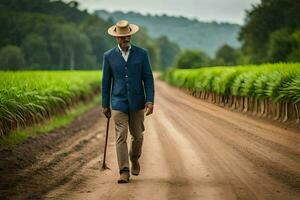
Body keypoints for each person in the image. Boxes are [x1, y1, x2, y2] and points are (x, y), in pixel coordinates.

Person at [101, 20, 155, 183]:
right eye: (121, 37)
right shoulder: (108, 56)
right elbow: (106, 81)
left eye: (127, 36)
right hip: (118, 102)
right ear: (116, 38)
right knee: (120, 136)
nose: (124, 39)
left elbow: (148, 78)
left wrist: (150, 100)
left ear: (130, 35)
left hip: (138, 102)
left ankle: (135, 158)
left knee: (137, 136)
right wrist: (105, 104)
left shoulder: (142, 54)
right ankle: (124, 171)